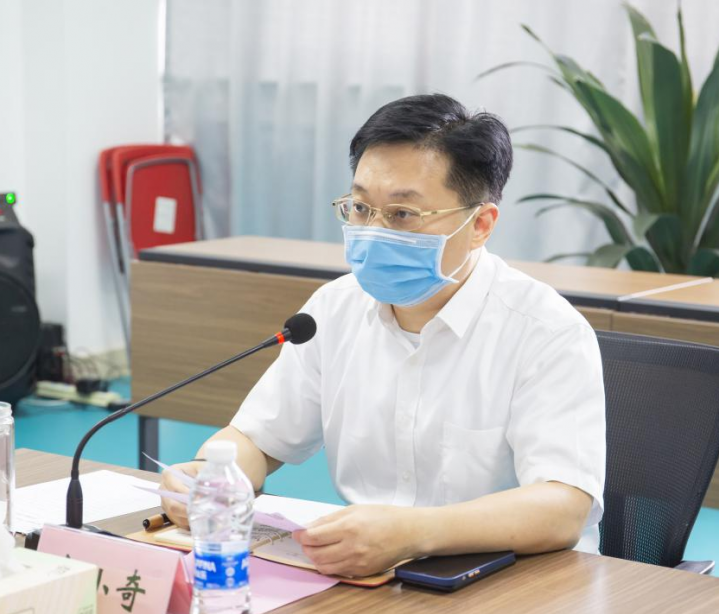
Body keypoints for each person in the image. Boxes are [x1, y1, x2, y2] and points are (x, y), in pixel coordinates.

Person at [161, 93, 606, 578]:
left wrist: (414, 532)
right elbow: (257, 439)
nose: (372, 231)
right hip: (374, 579)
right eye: (360, 207)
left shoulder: (546, 331)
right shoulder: (334, 309)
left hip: (519, 585)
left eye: (402, 214)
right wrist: (211, 478)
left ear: (479, 224)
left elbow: (564, 507)